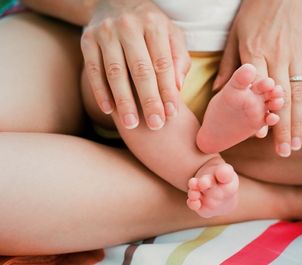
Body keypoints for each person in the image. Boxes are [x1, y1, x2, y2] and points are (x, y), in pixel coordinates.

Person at [0, 0, 302, 256]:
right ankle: (275, 191)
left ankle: (205, 153)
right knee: (139, 92)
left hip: (261, 24)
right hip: (94, 39)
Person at [80, 0, 285, 218]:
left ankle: (217, 131)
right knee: (130, 73)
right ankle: (204, 168)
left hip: (235, 46)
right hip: (141, 43)